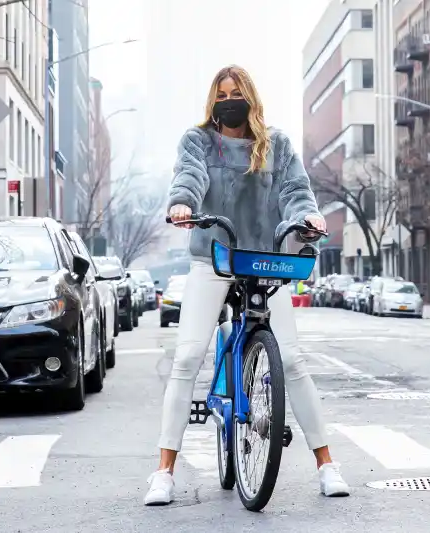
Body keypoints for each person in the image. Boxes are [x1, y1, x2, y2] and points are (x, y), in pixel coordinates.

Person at [144, 65, 350, 506]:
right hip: (213, 257)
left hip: (264, 261)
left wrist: (308, 217)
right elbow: (190, 176)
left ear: (251, 97)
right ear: (212, 100)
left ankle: (327, 464)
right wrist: (182, 203)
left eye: (236, 92)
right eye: (221, 94)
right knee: (186, 359)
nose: (228, 99)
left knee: (292, 361)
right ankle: (163, 472)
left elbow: (296, 190)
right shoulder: (198, 140)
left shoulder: (275, 144)